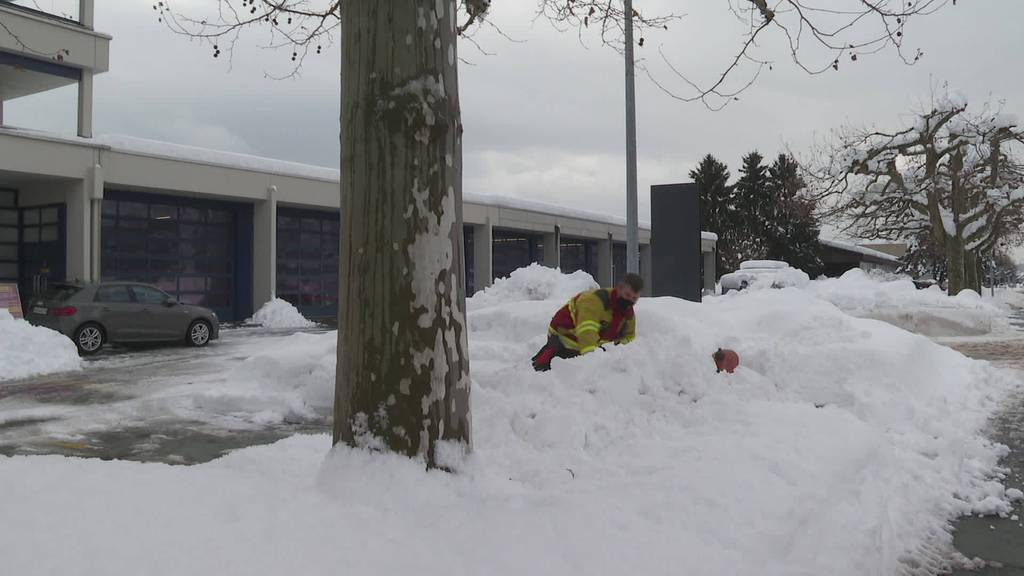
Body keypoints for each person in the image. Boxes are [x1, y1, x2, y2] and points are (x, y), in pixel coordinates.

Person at [531, 273, 643, 372]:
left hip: (592, 344)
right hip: (564, 336)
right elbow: (586, 331)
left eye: (634, 298)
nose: (629, 300)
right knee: (550, 365)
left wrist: (618, 354)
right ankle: (540, 363)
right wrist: (592, 361)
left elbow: (629, 336)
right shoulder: (594, 300)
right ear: (619, 289)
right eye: (627, 295)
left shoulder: (627, 312)